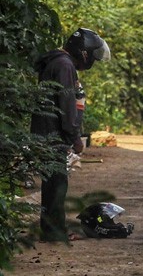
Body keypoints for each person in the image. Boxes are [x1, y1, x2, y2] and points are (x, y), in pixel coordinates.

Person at [30, 27, 111, 242]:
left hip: (47, 130)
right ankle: (54, 232)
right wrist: (75, 137)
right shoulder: (64, 66)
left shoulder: (57, 62)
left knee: (53, 183)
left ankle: (52, 229)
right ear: (83, 52)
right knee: (56, 184)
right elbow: (66, 105)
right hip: (52, 133)